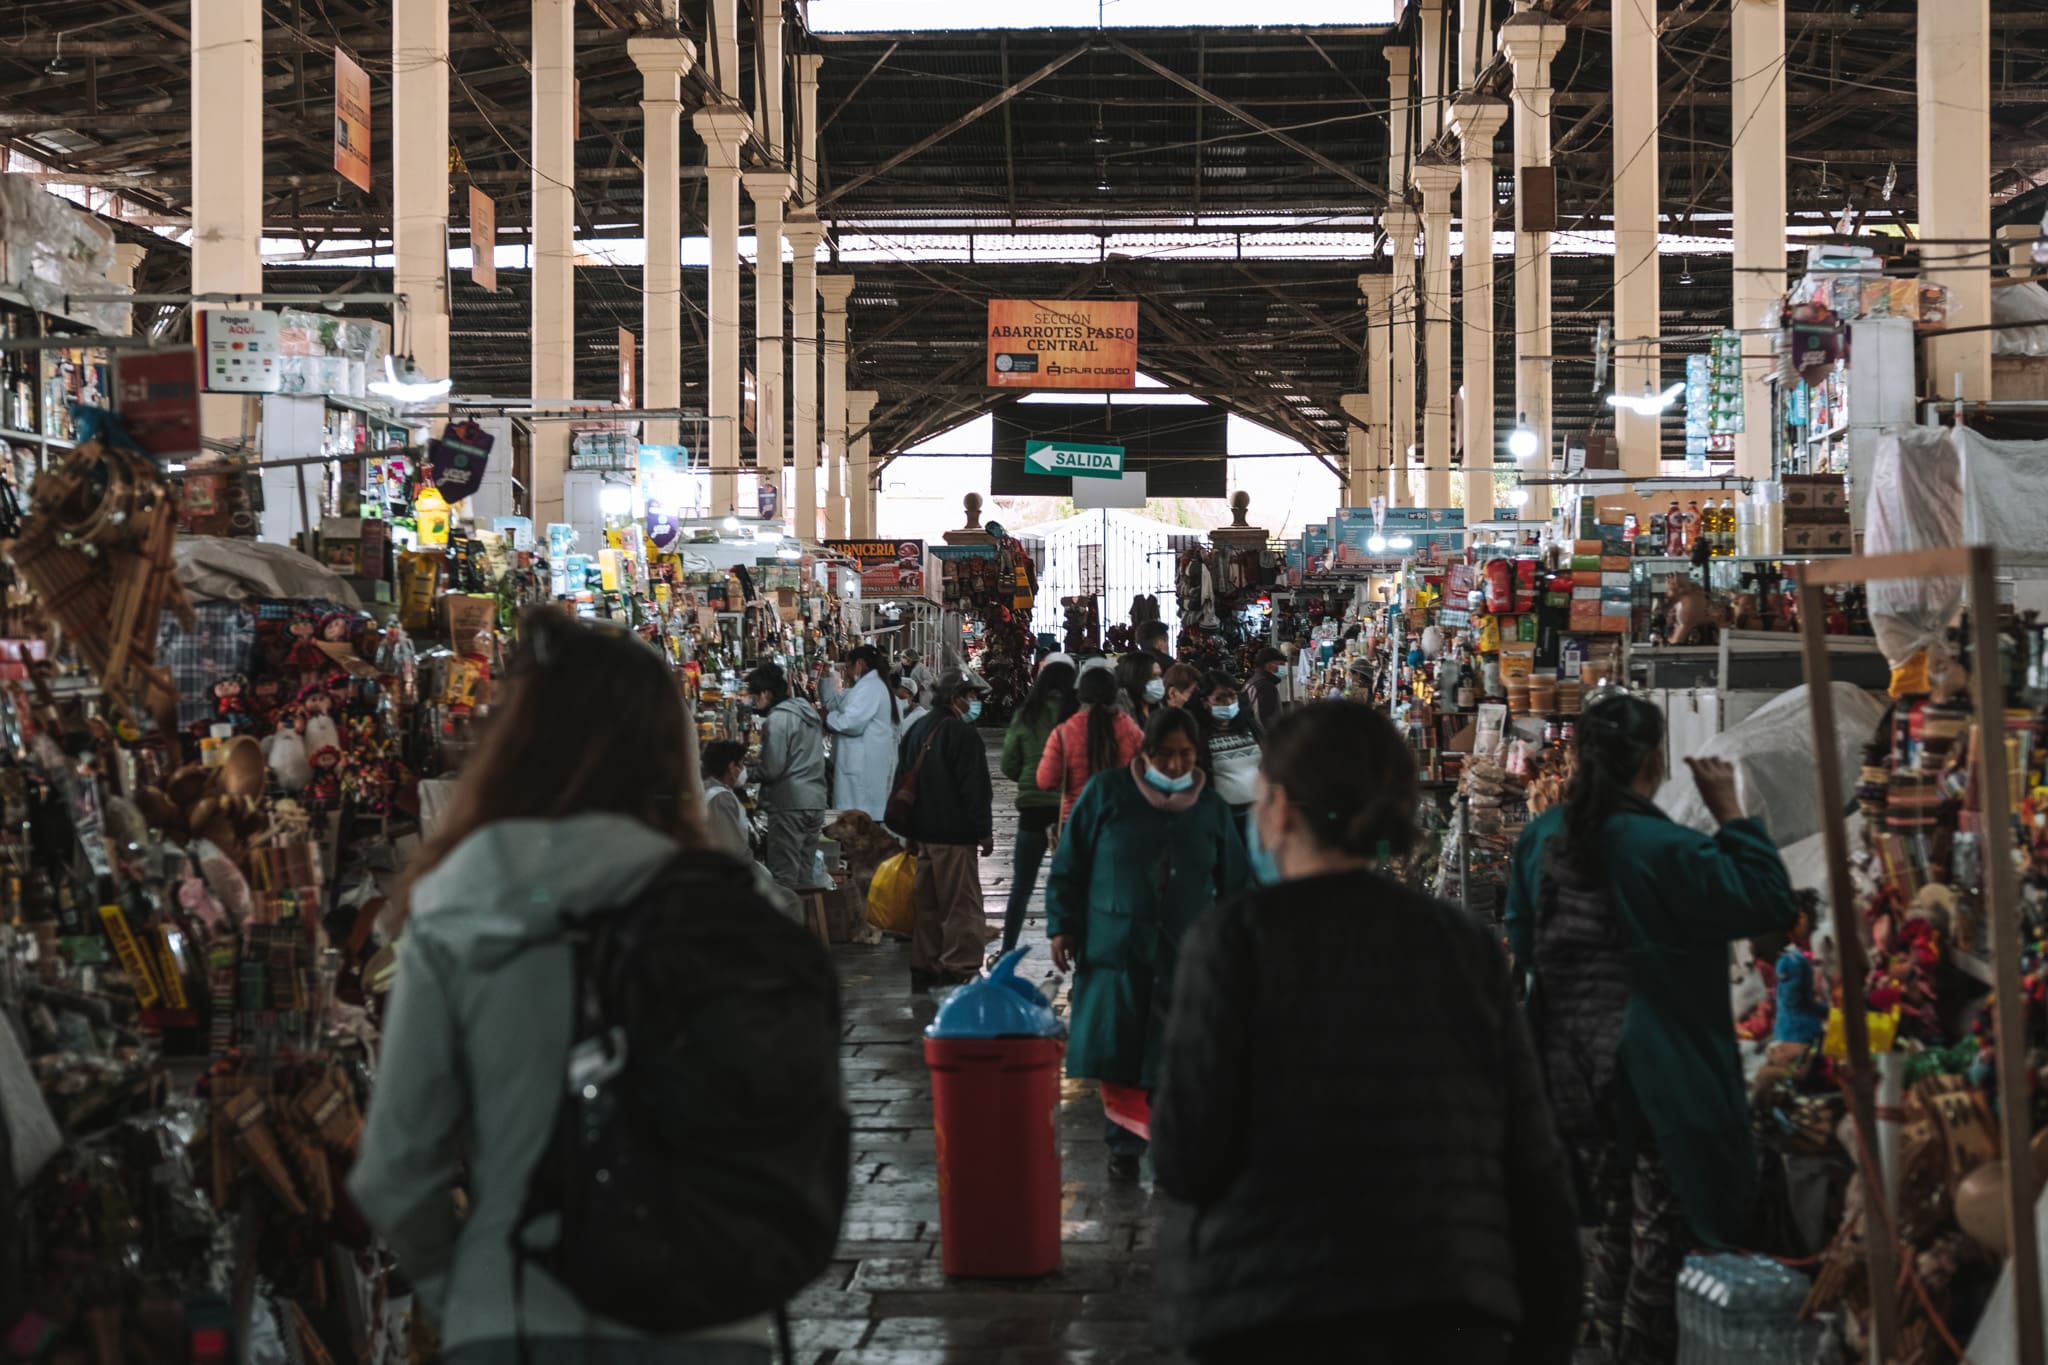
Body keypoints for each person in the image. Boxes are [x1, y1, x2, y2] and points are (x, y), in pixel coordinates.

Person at [352, 612, 774, 1364]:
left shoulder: (458, 907)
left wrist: (470, 1292)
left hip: (522, 1311)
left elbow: (395, 1171)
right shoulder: (735, 907)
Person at [1151, 702, 1581, 1365]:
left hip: (1269, 1312)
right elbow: (1531, 1162)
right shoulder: (1462, 946)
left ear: (1284, 810)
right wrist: (1546, 1333)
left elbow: (1187, 1152)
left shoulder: (1232, 942)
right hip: (1446, 1311)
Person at [1505, 694, 1798, 1364]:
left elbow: (1522, 939)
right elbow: (1770, 904)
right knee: (1659, 1244)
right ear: (1654, 759)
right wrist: (1733, 816)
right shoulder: (1668, 846)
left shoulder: (1543, 835)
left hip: (1572, 1073)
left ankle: (1601, 1342)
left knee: (1610, 1227)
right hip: (1657, 1076)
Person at [1046, 707, 1247, 1181]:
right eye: (1165, 755)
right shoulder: (1106, 794)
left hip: (1187, 950)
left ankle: (1172, 1143)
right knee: (1120, 1049)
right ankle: (1123, 1148)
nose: (1176, 766)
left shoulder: (1210, 807)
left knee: (1175, 1052)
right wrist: (1062, 924)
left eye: (1186, 754)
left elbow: (1235, 881)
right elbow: (1069, 865)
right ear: (1145, 752)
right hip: (1115, 945)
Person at [892, 668, 995, 989]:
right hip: (954, 836)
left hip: (922, 836)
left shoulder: (918, 727)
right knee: (960, 905)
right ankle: (959, 965)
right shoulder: (962, 735)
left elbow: (901, 780)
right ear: (955, 699)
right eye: (972, 697)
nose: (975, 703)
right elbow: (975, 789)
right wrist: (983, 830)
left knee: (927, 905)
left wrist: (909, 831)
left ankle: (925, 964)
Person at [998, 659, 1077, 953]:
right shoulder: (1077, 715)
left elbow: (1008, 762)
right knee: (1072, 883)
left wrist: (1030, 780)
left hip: (1032, 808)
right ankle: (1076, 952)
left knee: (1022, 886)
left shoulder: (1026, 714)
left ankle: (1007, 949)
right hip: (1068, 810)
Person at [747, 661, 826, 892]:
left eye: (755, 695)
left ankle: (789, 924)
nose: (753, 701)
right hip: (815, 801)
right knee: (805, 874)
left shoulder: (778, 719)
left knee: (784, 878)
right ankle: (809, 924)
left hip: (790, 803)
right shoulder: (807, 713)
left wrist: (746, 774)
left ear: (766, 693)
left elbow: (773, 768)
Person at [1037, 664, 1145, 825]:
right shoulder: (1130, 729)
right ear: (1115, 694)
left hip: (1076, 820)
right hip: (1119, 819)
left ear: (1080, 695)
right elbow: (1147, 770)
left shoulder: (1064, 732)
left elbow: (1046, 781)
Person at [822, 643, 897, 820]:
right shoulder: (865, 687)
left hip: (861, 769)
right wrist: (826, 679)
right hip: (859, 766)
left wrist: (827, 719)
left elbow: (850, 723)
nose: (847, 672)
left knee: (859, 825)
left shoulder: (870, 687)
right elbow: (837, 703)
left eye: (848, 667)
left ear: (860, 664)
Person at [1194, 671, 1263, 835]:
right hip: (1225, 818)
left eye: (1232, 696)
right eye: (1219, 698)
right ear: (1205, 702)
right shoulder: (1199, 736)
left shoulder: (1250, 727)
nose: (1228, 702)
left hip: (1259, 812)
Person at [700, 738, 753, 861]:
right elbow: (731, 849)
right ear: (731, 767)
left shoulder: (708, 787)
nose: (743, 769)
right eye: (741, 764)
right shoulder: (721, 798)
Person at [1114, 650, 1163, 726]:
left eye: (1159, 676)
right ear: (1137, 678)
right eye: (1154, 676)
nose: (1159, 681)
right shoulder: (1119, 708)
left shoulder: (1156, 706)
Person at [1244, 647, 1285, 727]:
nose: (1283, 669)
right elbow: (1264, 720)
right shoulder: (1265, 686)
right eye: (1281, 665)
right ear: (1269, 665)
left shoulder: (1255, 680)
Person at [892, 675, 928, 741]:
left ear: (911, 695)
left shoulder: (921, 715)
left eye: (901, 697)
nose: (897, 700)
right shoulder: (891, 713)